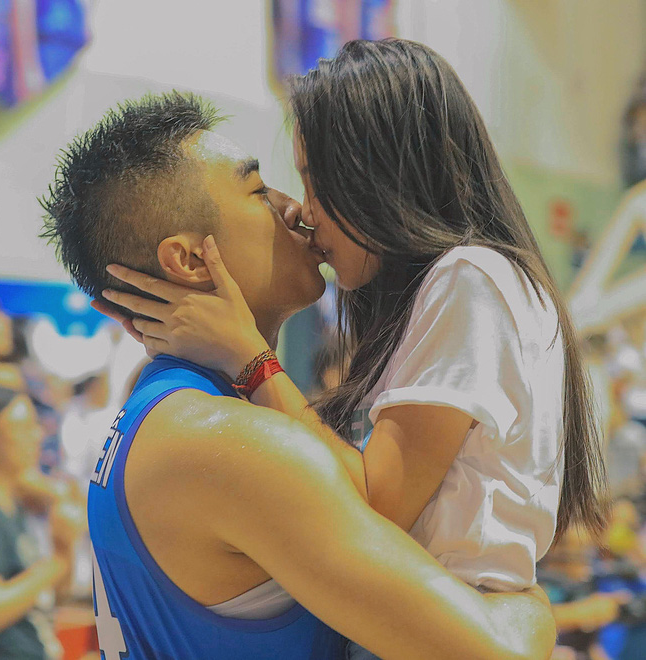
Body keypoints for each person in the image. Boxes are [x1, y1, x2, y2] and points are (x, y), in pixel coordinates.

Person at [101, 40, 608, 658]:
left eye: (314, 180)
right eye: (264, 191)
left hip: (442, 617)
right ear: (185, 258)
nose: (301, 211)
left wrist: (252, 359)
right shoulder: (198, 424)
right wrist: (530, 615)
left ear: (382, 172)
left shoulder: (470, 277)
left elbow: (376, 505)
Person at [0, 384, 84, 659]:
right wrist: (57, 562)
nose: (37, 436)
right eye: (23, 428)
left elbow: (54, 596)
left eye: (36, 425)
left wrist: (64, 548)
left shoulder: (11, 504)